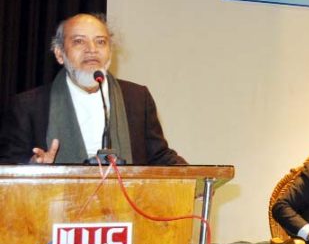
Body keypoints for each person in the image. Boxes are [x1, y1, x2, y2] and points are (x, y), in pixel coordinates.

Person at [0, 13, 185, 165]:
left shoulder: (136, 98)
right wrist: (33, 167)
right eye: (79, 41)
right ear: (59, 54)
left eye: (100, 42)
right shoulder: (29, 105)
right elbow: (8, 165)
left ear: (110, 53)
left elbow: (158, 157)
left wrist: (195, 178)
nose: (92, 49)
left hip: (124, 207)